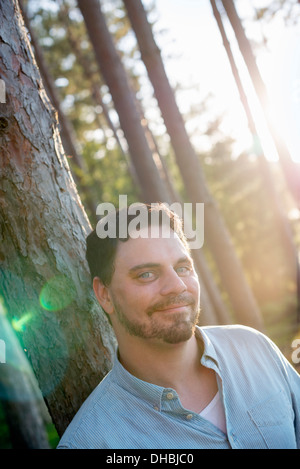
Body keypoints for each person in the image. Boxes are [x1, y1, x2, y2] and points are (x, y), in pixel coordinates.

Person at [57, 203, 300, 449]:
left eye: (182, 268)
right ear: (105, 295)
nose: (177, 286)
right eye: (147, 275)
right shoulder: (90, 443)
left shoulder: (255, 349)